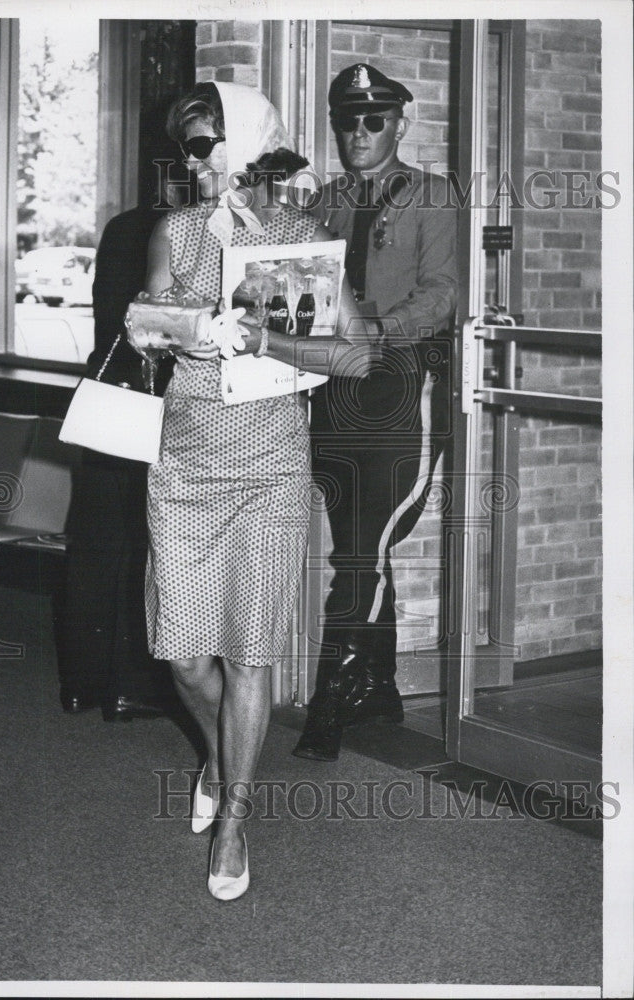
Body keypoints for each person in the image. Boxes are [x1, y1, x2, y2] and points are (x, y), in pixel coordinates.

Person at [141, 81, 376, 900]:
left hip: (272, 467)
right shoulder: (174, 232)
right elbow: (139, 325)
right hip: (186, 470)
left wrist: (272, 336)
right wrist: (190, 328)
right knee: (182, 655)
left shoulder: (301, 237)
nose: (195, 161)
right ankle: (217, 752)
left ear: (246, 145)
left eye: (209, 144)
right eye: (189, 147)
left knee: (249, 657)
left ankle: (234, 819)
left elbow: (357, 355)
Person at [293, 63, 458, 762]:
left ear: (399, 123)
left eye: (373, 120)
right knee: (358, 544)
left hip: (398, 385)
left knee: (364, 551)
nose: (356, 133)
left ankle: (330, 698)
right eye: (346, 121)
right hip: (336, 393)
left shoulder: (432, 196)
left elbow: (443, 293)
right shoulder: (322, 202)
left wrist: (376, 335)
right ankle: (380, 687)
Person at [53, 170, 182, 722]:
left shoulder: (121, 228)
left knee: (96, 542)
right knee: (147, 543)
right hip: (157, 405)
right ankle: (134, 684)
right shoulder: (185, 233)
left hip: (108, 399)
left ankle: (82, 683)